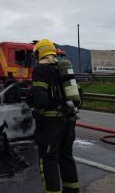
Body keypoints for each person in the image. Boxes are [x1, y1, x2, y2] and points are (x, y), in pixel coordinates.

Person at [31, 39, 80, 193]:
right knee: (66, 159)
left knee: (48, 164)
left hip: (50, 128)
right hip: (69, 123)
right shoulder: (63, 69)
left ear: (39, 53)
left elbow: (40, 102)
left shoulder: (41, 70)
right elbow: (77, 98)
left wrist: (35, 113)